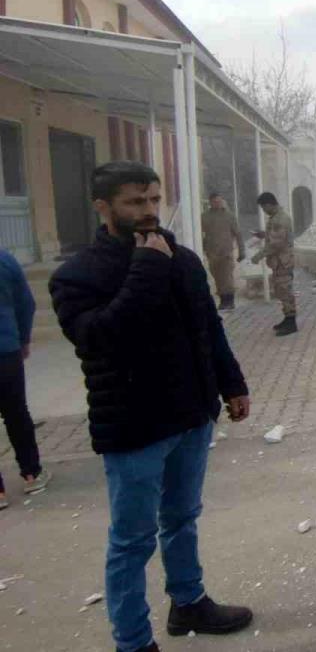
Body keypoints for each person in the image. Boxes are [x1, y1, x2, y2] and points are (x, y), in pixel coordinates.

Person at [49, 161, 253, 652]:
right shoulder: (77, 275)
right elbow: (99, 338)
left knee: (182, 517)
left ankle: (188, 602)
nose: (147, 212)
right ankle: (134, 642)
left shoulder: (180, 258)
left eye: (154, 201)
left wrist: (232, 384)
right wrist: (145, 268)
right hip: (134, 426)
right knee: (132, 541)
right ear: (103, 206)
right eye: (134, 202)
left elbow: (207, 326)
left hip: (190, 416)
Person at [0, 247, 50, 510]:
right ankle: (31, 473)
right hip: (6, 349)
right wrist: (23, 339)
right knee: (16, 412)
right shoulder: (5, 259)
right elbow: (25, 303)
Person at [251, 192, 296, 336]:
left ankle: (291, 322)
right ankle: (287, 318)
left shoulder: (280, 219)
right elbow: (274, 236)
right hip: (279, 262)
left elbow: (277, 243)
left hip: (283, 261)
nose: (264, 211)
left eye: (264, 208)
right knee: (281, 290)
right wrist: (263, 234)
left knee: (285, 290)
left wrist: (259, 255)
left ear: (269, 204)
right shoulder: (276, 218)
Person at [200, 192, 244, 311]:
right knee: (218, 277)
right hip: (212, 253)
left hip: (226, 252)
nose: (217, 203)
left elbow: (238, 234)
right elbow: (200, 234)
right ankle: (223, 300)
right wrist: (204, 248)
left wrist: (242, 251)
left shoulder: (229, 216)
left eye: (219, 201)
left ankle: (230, 300)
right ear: (210, 203)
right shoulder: (205, 217)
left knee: (227, 277)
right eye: (214, 202)